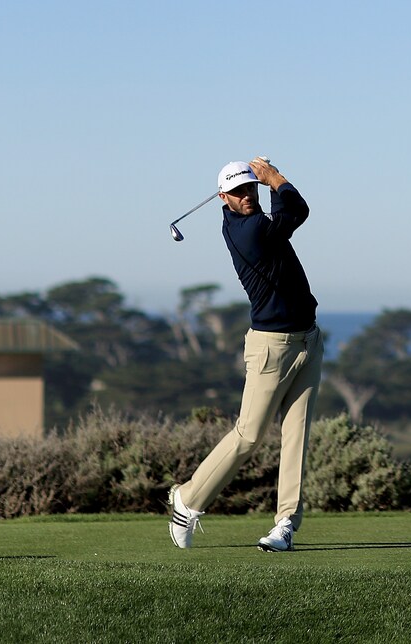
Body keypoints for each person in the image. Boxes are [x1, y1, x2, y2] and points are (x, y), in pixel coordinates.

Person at [168, 156, 323, 552]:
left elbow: (286, 214)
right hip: (272, 348)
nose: (247, 195)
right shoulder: (249, 230)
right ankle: (188, 500)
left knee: (297, 435)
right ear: (224, 197)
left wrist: (268, 183)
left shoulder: (255, 221)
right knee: (248, 435)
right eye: (239, 191)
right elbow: (297, 211)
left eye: (251, 187)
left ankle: (285, 523)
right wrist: (276, 178)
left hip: (307, 340)